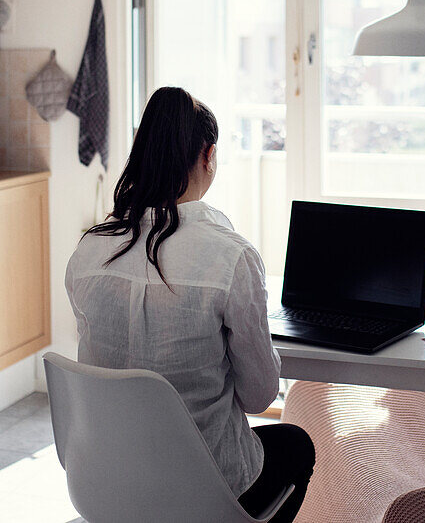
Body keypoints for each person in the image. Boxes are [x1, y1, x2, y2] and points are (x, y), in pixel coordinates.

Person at [65, 86, 315, 522]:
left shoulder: (89, 250)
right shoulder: (230, 256)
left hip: (104, 484)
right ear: (208, 155)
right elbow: (258, 397)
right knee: (295, 444)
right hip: (202, 495)